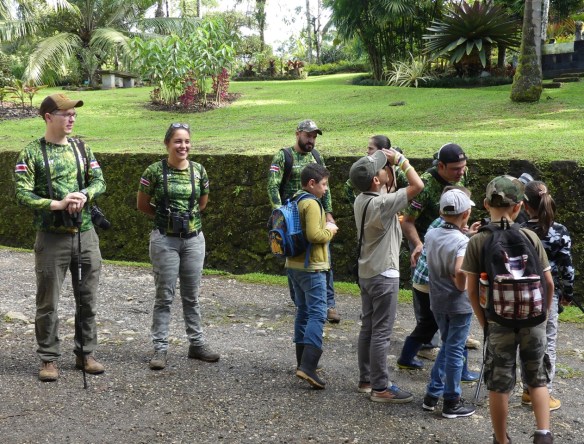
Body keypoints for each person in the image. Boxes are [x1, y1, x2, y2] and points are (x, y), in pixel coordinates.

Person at [14, 93, 106, 381]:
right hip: (51, 237)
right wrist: (57, 204)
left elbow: (99, 181)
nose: (71, 118)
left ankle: (85, 353)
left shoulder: (82, 148)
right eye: (65, 113)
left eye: (73, 113)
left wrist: (83, 195)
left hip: (85, 233)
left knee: (87, 298)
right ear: (48, 117)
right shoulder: (31, 153)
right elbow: (22, 193)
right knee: (48, 302)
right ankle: (49, 358)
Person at [462, 176, 555, 444]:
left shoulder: (478, 240)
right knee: (537, 379)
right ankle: (543, 434)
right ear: (518, 207)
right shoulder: (530, 236)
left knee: (499, 383)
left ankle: (502, 439)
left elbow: (471, 291)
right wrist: (542, 315)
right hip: (533, 320)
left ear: (485, 204)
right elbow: (548, 283)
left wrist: (485, 323)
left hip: (498, 320)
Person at [137, 123, 219, 370]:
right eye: (178, 141)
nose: (183, 146)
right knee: (164, 295)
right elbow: (142, 205)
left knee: (191, 296)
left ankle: (197, 344)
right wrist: (167, 219)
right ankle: (160, 348)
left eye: (186, 141)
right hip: (165, 240)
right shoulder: (154, 171)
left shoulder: (199, 171)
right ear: (167, 144)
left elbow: (202, 204)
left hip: (193, 240)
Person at [350, 149, 424, 402]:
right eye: (382, 168)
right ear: (375, 180)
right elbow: (418, 186)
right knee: (381, 331)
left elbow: (390, 193)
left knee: (368, 328)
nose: (386, 168)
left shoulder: (361, 200)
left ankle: (366, 379)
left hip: (367, 272)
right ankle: (381, 387)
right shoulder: (382, 204)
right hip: (384, 274)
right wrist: (402, 162)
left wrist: (389, 173)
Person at [400, 143, 475, 364]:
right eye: (455, 169)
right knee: (428, 303)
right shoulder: (425, 185)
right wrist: (418, 244)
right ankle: (427, 345)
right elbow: (407, 221)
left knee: (449, 301)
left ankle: (455, 335)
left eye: (463, 167)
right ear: (441, 166)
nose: (461, 172)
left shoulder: (462, 174)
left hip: (453, 240)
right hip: (428, 244)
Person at [398, 187, 481, 384]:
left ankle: (412, 361)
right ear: (465, 213)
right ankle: (455, 374)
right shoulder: (452, 234)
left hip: (428, 283)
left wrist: (468, 234)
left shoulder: (438, 228)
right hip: (433, 284)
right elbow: (458, 264)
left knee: (439, 329)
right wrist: (461, 285)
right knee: (445, 331)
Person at [267, 119, 341, 323]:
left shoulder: (316, 156)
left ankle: (329, 304)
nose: (311, 140)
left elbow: (326, 187)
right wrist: (280, 216)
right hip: (291, 220)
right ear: (297, 133)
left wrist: (328, 213)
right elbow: (272, 186)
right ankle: (301, 303)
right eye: (308, 135)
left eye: (314, 137)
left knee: (324, 259)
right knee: (293, 257)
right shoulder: (284, 156)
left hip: (315, 215)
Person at [520, 180, 574, 411]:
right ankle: (544, 392)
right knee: (547, 342)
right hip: (547, 294)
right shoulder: (559, 231)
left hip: (522, 294)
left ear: (524, 206)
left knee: (526, 341)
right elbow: (567, 267)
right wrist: (568, 293)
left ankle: (527, 390)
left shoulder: (519, 231)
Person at [421, 188, 476, 418]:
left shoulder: (431, 234)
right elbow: (459, 270)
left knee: (448, 346)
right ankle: (452, 401)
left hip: (437, 300)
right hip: (458, 304)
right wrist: (462, 285)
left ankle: (432, 394)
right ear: (466, 213)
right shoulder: (462, 242)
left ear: (441, 212)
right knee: (455, 350)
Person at [289, 163, 339, 389]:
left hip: (294, 265)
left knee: (303, 311)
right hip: (312, 267)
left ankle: (302, 362)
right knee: (318, 313)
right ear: (312, 183)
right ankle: (308, 366)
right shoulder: (311, 203)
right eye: (324, 184)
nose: (326, 189)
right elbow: (314, 235)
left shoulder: (295, 199)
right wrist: (330, 229)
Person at [343, 135, 407, 204]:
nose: (367, 151)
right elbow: (348, 187)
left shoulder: (397, 171)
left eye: (370, 149)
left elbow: (413, 191)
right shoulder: (368, 171)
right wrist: (356, 205)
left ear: (382, 152)